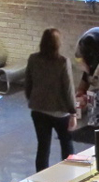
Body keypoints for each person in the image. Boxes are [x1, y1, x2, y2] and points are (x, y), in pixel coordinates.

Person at [23, 28, 78, 171]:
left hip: (38, 110)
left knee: (43, 147)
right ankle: (69, 174)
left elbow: (28, 83)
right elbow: (68, 90)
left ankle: (40, 179)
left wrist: (33, 99)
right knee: (67, 143)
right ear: (57, 44)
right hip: (59, 113)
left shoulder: (33, 59)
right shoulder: (63, 62)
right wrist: (73, 113)